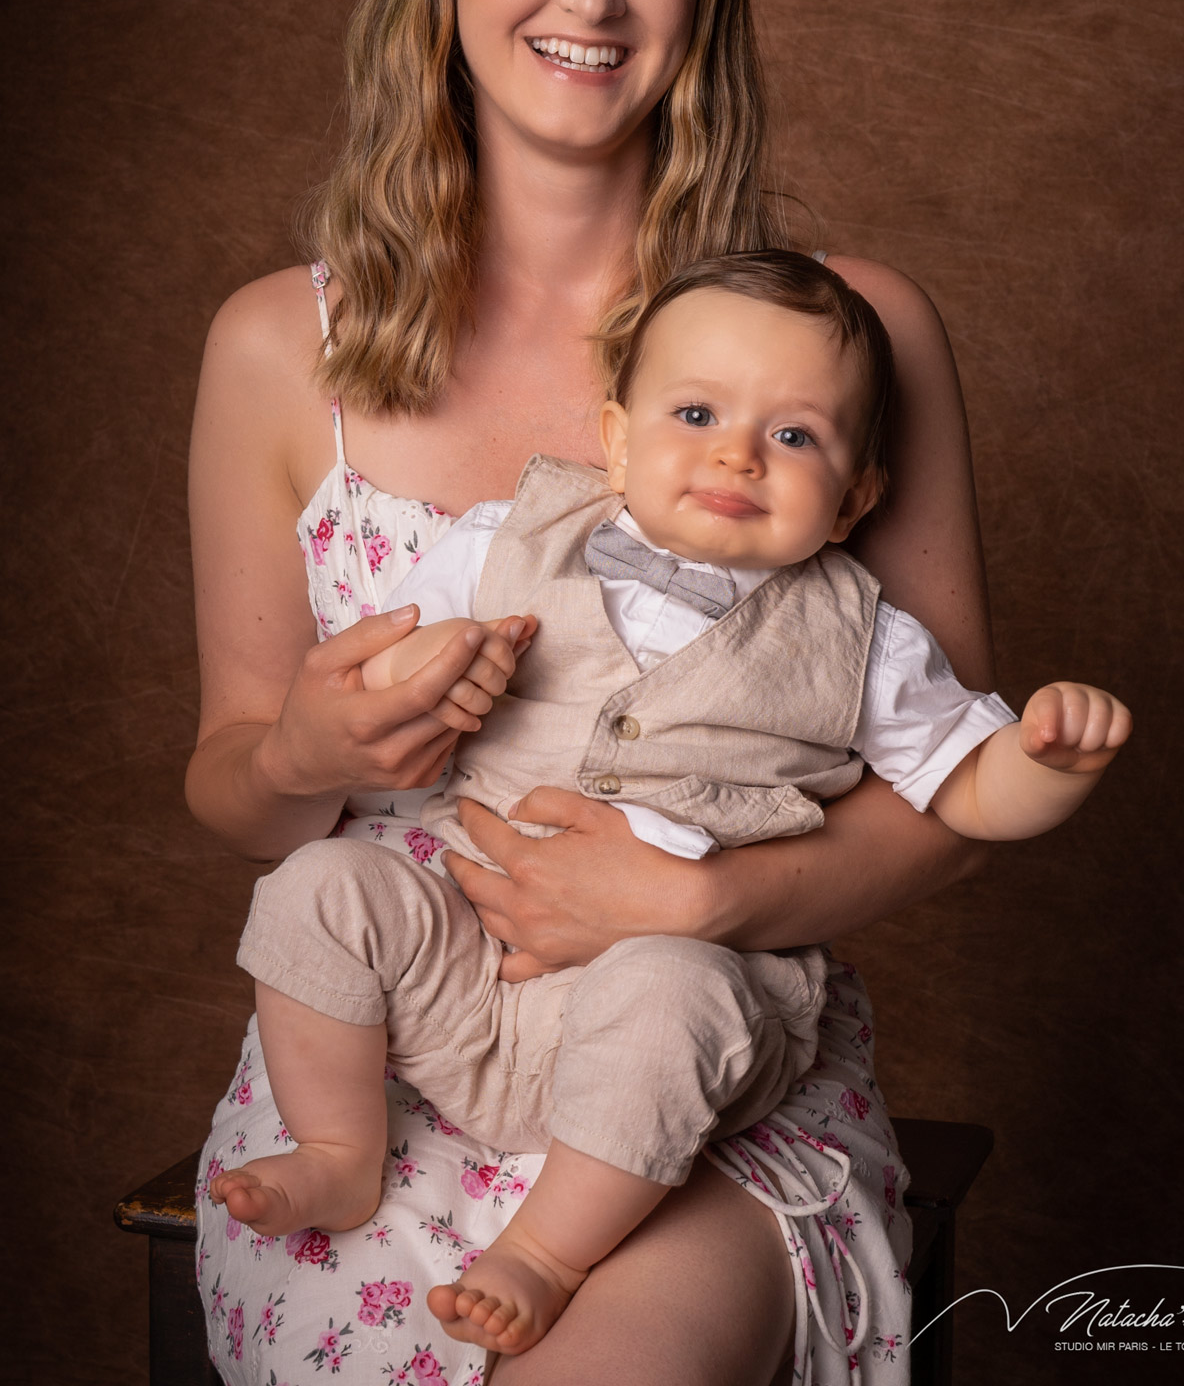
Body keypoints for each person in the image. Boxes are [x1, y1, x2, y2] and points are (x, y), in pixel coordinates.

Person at [188, 0, 1001, 1386]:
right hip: (386, 1057)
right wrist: (301, 750)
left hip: (701, 1068)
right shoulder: (282, 348)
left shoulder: (852, 341)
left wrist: (702, 898)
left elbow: (955, 803)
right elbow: (231, 786)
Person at [208, 252, 1129, 1360]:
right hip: (454, 971)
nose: (736, 451)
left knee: (672, 988)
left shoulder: (862, 638)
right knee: (321, 887)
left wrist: (1043, 760)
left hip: (673, 1035)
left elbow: (965, 790)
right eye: (695, 413)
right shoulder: (507, 541)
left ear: (857, 500)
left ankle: (544, 1257)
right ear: (615, 439)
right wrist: (396, 693)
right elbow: (370, 679)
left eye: (793, 437)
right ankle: (339, 1147)